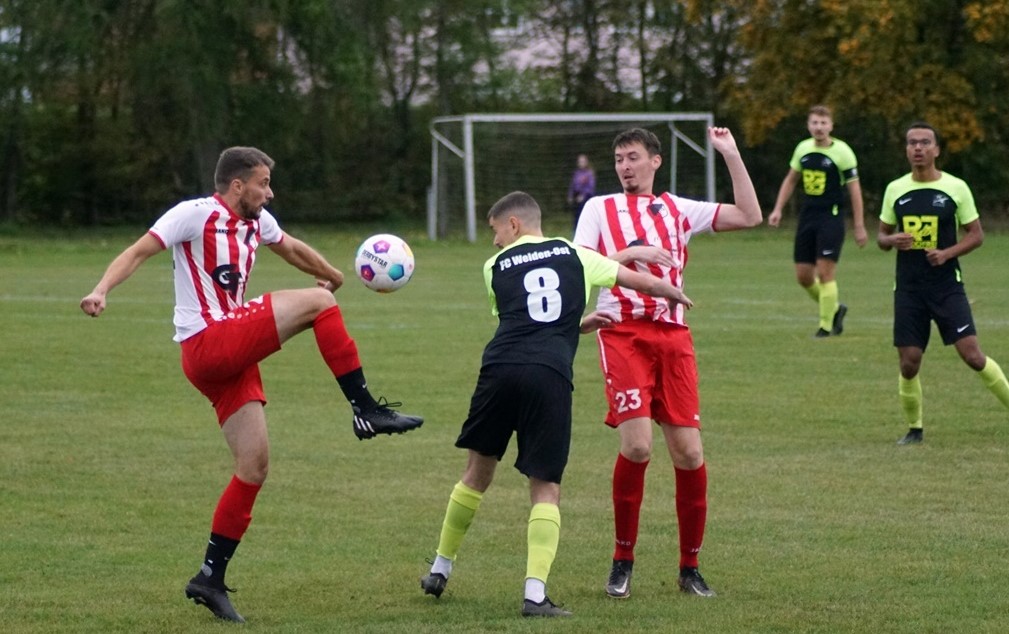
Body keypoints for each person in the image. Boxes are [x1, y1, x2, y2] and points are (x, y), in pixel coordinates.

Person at [79, 146, 423, 623]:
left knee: (253, 466)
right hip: (208, 340)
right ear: (237, 185)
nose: (270, 191)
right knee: (319, 307)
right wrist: (101, 288)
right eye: (263, 183)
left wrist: (327, 272)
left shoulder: (257, 222)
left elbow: (292, 247)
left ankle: (209, 578)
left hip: (229, 355)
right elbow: (138, 250)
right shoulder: (194, 214)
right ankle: (365, 408)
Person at [419, 191, 694, 617]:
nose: (494, 242)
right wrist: (672, 292)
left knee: (476, 473)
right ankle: (534, 596)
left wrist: (574, 324)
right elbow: (639, 281)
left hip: (499, 369)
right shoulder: (577, 254)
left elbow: (526, 317)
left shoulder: (493, 267)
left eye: (495, 231)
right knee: (545, 487)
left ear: (513, 225)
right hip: (548, 374)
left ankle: (439, 568)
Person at [573, 126, 761, 600]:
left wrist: (731, 155)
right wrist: (631, 254)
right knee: (637, 447)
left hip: (673, 336)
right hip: (622, 333)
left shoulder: (678, 208)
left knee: (690, 454)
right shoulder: (599, 208)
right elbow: (579, 264)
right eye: (618, 159)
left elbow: (750, 215)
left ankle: (689, 568)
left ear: (655, 161)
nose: (625, 166)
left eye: (633, 157)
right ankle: (622, 561)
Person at [877, 122, 1009, 445]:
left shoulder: (956, 187)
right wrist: (892, 239)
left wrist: (947, 253)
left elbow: (977, 235)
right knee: (909, 363)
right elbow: (881, 237)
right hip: (908, 288)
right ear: (906, 149)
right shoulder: (895, 189)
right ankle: (914, 429)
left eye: (924, 142)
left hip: (946, 286)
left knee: (973, 356)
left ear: (936, 149)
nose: (918, 148)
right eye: (912, 143)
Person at [768, 104, 867, 337]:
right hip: (808, 216)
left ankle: (825, 326)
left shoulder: (842, 152)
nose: (819, 127)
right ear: (808, 125)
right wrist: (777, 209)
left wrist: (860, 225)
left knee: (825, 272)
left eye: (823, 123)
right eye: (814, 123)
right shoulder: (803, 149)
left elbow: (855, 190)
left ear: (831, 126)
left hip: (831, 216)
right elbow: (791, 179)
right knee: (803, 276)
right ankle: (835, 308)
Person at [567, 153, 596, 231]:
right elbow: (572, 185)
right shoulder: (576, 173)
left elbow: (590, 187)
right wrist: (570, 196)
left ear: (586, 162)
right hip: (576, 197)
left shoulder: (589, 173)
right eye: (580, 162)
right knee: (576, 217)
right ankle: (575, 232)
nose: (581, 163)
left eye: (583, 161)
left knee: (584, 215)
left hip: (586, 197)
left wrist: (583, 195)